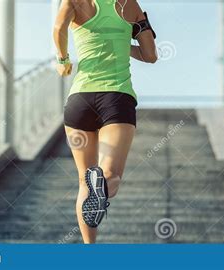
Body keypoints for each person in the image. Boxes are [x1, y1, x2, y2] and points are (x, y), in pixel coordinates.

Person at [53, 0, 157, 243]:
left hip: (79, 100)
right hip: (116, 99)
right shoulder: (127, 4)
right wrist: (121, 44)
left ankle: (90, 251)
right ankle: (102, 188)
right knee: (110, 175)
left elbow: (59, 29)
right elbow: (150, 55)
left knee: (84, 182)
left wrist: (63, 60)